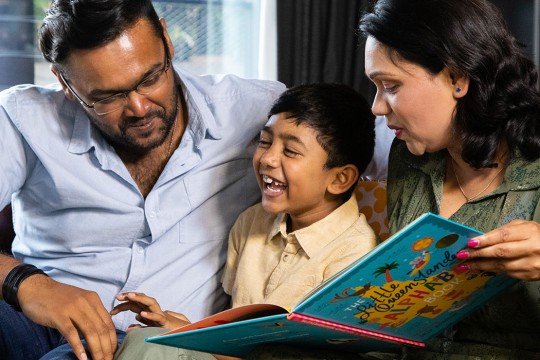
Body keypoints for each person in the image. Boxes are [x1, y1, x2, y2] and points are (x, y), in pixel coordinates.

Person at [0, 0, 285, 359]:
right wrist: (25, 283)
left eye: (150, 78)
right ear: (65, 83)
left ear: (166, 39)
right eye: (108, 97)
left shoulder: (259, 110)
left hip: (151, 344)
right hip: (30, 321)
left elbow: (355, 159)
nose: (139, 108)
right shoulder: (21, 117)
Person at [109, 83, 378, 359]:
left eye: (291, 151)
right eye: (265, 141)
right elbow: (234, 330)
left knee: (148, 345)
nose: (268, 158)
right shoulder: (252, 222)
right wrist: (182, 329)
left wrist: (185, 336)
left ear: (339, 178)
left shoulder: (358, 257)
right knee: (147, 339)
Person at [360, 0, 540, 358]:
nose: (377, 107)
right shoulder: (408, 156)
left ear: (458, 79)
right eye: (375, 87)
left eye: (391, 86)